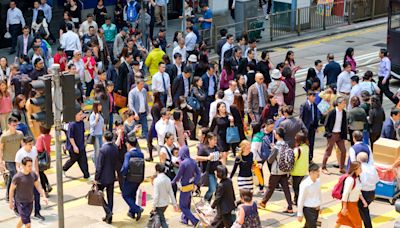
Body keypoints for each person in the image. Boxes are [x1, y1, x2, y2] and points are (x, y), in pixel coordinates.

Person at [259, 127, 294, 215]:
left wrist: (272, 151)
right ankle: (290, 207)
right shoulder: (286, 145)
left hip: (276, 170)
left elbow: (270, 160)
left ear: (277, 135)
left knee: (270, 188)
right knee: (286, 189)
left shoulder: (276, 146)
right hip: (285, 170)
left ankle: (263, 203)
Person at [9, 157, 48, 228]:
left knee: (23, 220)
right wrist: (11, 202)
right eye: (29, 166)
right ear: (23, 166)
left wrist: (44, 196)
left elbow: (38, 186)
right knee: (27, 224)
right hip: (21, 203)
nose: (30, 167)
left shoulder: (33, 175)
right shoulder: (17, 177)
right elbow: (11, 190)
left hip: (30, 202)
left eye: (31, 165)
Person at [15, 136, 45, 221]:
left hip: (32, 176)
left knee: (37, 194)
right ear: (24, 144)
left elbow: (35, 161)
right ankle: (17, 208)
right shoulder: (19, 153)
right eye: (29, 144)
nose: (31, 146)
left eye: (32, 144)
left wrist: (37, 173)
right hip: (24, 177)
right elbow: (17, 166)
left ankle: (37, 212)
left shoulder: (34, 150)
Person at [94, 131, 119, 224]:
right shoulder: (115, 148)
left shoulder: (102, 150)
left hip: (102, 178)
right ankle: (109, 217)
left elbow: (99, 166)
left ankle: (108, 211)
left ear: (104, 138)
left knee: (99, 195)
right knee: (110, 196)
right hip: (112, 176)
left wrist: (96, 178)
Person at [172, 146, 201, 227]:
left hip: (184, 187)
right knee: (187, 203)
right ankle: (184, 219)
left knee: (182, 206)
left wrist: (173, 182)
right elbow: (199, 174)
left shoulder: (183, 163)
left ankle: (195, 221)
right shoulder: (193, 162)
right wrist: (195, 183)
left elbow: (178, 175)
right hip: (191, 186)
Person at [335, 161, 367, 228]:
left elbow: (358, 191)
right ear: (355, 169)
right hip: (350, 205)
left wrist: (363, 200)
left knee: (341, 221)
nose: (361, 169)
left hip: (353, 203)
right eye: (360, 168)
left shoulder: (357, 178)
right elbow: (345, 194)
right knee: (358, 224)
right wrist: (344, 207)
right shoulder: (350, 180)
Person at [121, 132, 145, 220]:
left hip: (130, 178)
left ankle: (137, 209)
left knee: (125, 195)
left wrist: (122, 174)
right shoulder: (140, 153)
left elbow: (125, 166)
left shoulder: (128, 154)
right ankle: (132, 212)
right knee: (132, 194)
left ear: (128, 144)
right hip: (139, 178)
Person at [0, 117, 24, 202]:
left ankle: (8, 195)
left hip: (17, 160)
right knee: (15, 176)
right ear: (9, 125)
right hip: (8, 160)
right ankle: (15, 197)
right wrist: (1, 162)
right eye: (13, 125)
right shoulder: (4, 136)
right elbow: (1, 149)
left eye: (16, 125)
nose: (15, 127)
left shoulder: (20, 134)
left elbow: (22, 146)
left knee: (11, 178)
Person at [322, 97, 348, 174]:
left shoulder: (344, 112)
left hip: (340, 134)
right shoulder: (332, 112)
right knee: (328, 151)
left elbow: (344, 125)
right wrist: (329, 134)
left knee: (343, 150)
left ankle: (341, 167)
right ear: (339, 104)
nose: (344, 104)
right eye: (343, 103)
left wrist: (344, 136)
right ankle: (323, 167)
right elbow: (326, 124)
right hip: (332, 134)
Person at [62, 110, 90, 179]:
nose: (81, 116)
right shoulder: (72, 124)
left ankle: (86, 175)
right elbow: (70, 137)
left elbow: (82, 134)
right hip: (73, 147)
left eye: (81, 114)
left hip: (81, 146)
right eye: (80, 115)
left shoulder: (81, 123)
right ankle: (63, 169)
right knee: (73, 159)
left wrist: (84, 142)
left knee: (84, 160)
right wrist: (74, 146)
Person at [195, 132, 221, 202]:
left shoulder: (216, 148)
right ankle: (204, 200)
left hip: (214, 171)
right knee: (213, 188)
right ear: (209, 140)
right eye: (214, 140)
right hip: (207, 171)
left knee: (214, 188)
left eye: (216, 140)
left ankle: (206, 201)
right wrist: (207, 158)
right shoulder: (204, 148)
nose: (215, 141)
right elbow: (197, 157)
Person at [356, 152, 379, 228]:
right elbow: (377, 180)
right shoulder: (372, 168)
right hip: (372, 193)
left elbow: (359, 183)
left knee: (364, 212)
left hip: (363, 193)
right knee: (362, 211)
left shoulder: (360, 169)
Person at [153, 163, 179, 228]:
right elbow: (171, 192)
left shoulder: (156, 180)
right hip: (166, 203)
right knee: (160, 218)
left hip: (159, 204)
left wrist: (154, 205)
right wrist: (174, 204)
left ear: (157, 171)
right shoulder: (168, 179)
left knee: (162, 220)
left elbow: (156, 194)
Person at [297, 163, 322, 228]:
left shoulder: (318, 181)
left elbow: (319, 194)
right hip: (308, 210)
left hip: (316, 209)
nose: (319, 173)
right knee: (312, 226)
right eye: (317, 172)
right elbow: (301, 199)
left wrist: (320, 206)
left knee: (308, 226)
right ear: (312, 173)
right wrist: (300, 213)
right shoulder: (305, 184)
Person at [300, 91, 319, 161]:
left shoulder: (315, 105)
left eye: (314, 96)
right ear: (308, 96)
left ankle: (310, 158)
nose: (314, 98)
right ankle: (305, 157)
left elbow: (316, 116)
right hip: (306, 127)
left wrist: (316, 126)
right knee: (306, 143)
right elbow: (301, 118)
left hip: (312, 127)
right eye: (312, 96)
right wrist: (302, 128)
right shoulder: (304, 105)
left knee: (312, 143)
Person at [291, 133, 309, 204]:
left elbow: (293, 160)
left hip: (296, 171)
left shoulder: (297, 150)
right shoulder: (306, 147)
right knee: (298, 186)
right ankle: (296, 200)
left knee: (296, 188)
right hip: (303, 170)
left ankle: (300, 201)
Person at [36, 126, 52, 196]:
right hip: (47, 157)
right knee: (41, 173)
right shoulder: (49, 136)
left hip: (40, 158)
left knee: (40, 173)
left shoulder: (41, 137)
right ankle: (48, 185)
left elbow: (39, 148)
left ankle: (45, 190)